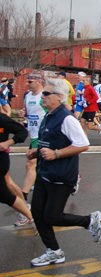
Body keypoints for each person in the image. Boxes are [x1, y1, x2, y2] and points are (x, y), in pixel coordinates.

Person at [27, 78, 101, 267]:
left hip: (61, 176)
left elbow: (83, 144)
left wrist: (57, 153)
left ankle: (89, 221)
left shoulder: (66, 117)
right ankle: (53, 251)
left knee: (52, 216)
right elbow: (53, 140)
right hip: (45, 172)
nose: (42, 96)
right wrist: (38, 151)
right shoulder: (49, 114)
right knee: (37, 212)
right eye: (43, 93)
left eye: (46, 93)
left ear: (59, 97)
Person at [16, 73, 47, 224]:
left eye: (31, 81)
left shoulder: (45, 96)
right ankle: (72, 178)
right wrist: (23, 114)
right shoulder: (27, 96)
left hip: (43, 136)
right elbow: (27, 112)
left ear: (39, 82)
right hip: (33, 135)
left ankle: (23, 201)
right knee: (42, 166)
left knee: (30, 164)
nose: (28, 84)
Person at [0, 112, 34, 226]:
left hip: (1, 160)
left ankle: (29, 216)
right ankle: (26, 210)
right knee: (7, 186)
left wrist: (8, 142)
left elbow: (22, 132)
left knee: (4, 194)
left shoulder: (2, 119)